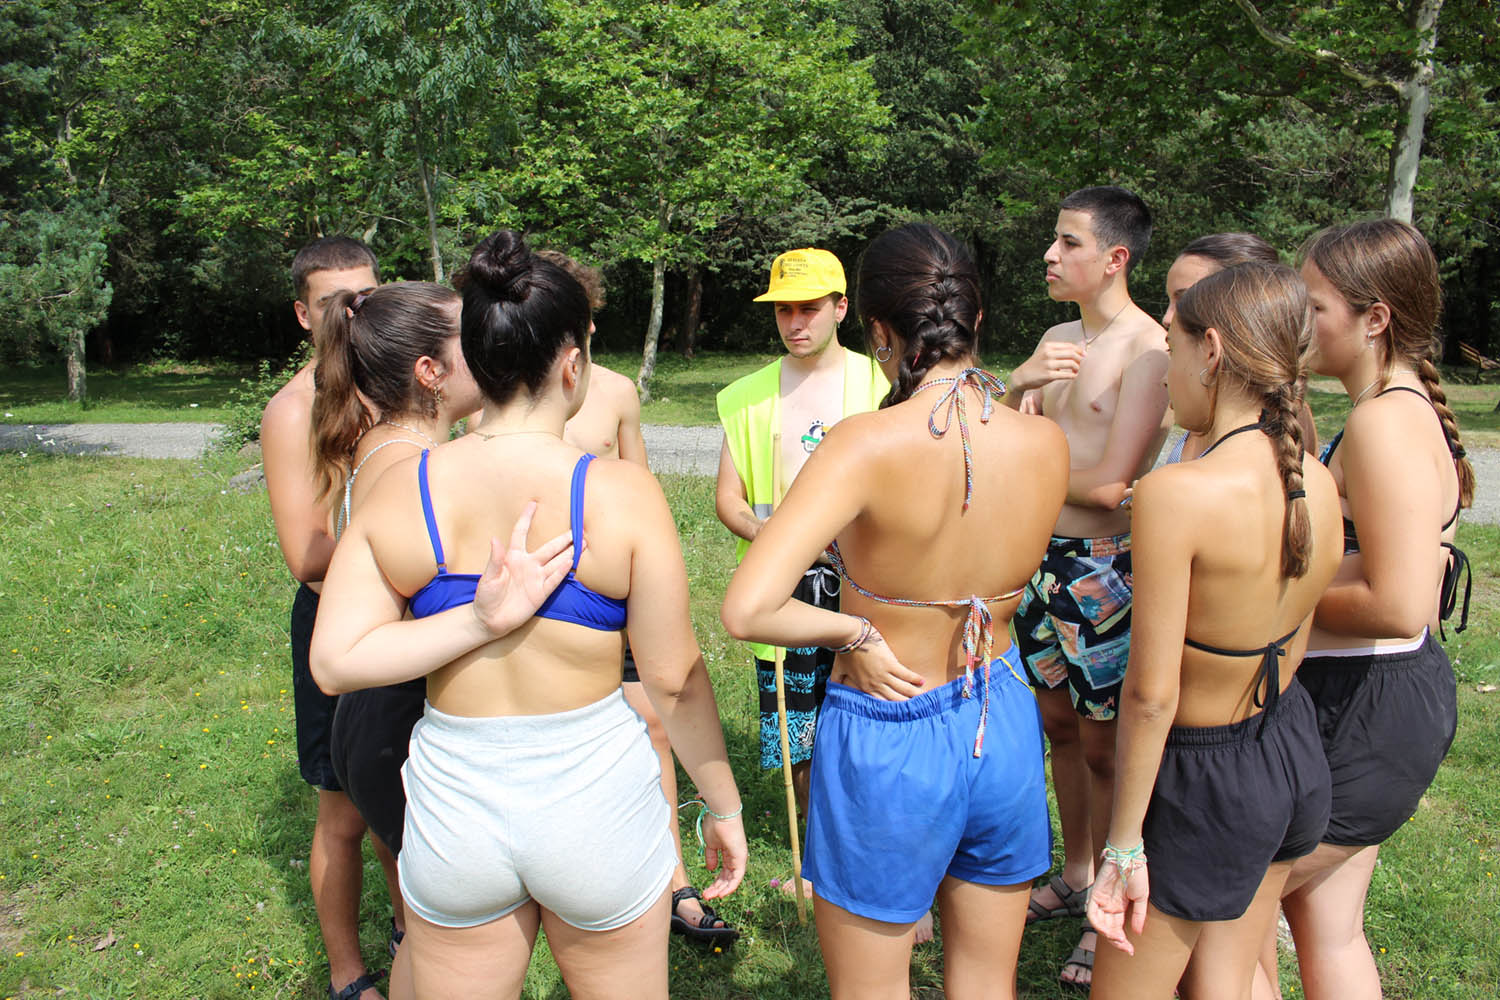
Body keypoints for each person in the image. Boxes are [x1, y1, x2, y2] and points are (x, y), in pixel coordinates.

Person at [310, 230, 746, 1000]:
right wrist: (723, 804)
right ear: (573, 364)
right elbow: (674, 678)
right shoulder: (620, 494)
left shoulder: (406, 487)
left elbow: (334, 661)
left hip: (458, 810)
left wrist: (473, 622)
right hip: (593, 805)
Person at [721, 223, 1068, 999]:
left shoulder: (863, 444)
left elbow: (746, 608)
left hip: (889, 726)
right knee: (987, 984)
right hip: (1002, 715)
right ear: (977, 319)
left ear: (878, 330)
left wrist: (854, 630)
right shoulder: (1046, 441)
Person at [1085, 262, 1343, 1000]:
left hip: (1199, 779)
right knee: (1226, 982)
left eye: (1172, 347)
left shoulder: (1177, 493)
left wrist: (1123, 846)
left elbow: (1151, 696)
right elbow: (1294, 643)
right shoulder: (1314, 480)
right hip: (1287, 751)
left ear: (1212, 350)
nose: (1166, 375)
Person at [1267, 219, 1472, 1000]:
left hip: (1366, 709)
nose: (1299, 322)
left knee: (1226, 918)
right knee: (1330, 927)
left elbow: (1400, 602)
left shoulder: (1385, 421)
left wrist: (1263, 602)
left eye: (1314, 306)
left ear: (1375, 317)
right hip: (1369, 696)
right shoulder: (1386, 407)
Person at [537, 249, 736, 944]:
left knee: (653, 722)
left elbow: (638, 488)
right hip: (533, 602)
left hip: (609, 591)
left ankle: (675, 881)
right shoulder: (496, 393)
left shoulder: (618, 392)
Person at [1001, 186, 1170, 987]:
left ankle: (1109, 892)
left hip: (1103, 569)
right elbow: (1001, 436)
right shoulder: (1055, 338)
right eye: (1053, 239)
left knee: (1104, 745)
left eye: (1069, 242)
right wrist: (1015, 384)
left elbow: (1111, 486)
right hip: (1036, 562)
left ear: (1114, 258)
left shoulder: (1151, 349)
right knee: (1057, 727)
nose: (1050, 254)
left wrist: (1035, 463)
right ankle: (1074, 872)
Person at [713, 247, 888, 874]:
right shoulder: (746, 397)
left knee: (867, 709)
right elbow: (728, 499)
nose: (794, 322)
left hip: (867, 581)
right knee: (799, 730)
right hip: (784, 588)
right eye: (783, 310)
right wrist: (773, 537)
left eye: (808, 308)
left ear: (841, 308)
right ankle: (818, 856)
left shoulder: (882, 384)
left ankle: (871, 840)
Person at [307, 282, 480, 917]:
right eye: (471, 335)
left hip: (377, 714)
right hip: (397, 720)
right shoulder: (416, 467)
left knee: (428, 924)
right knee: (446, 937)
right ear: (430, 371)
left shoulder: (388, 444)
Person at [260, 236, 394, 1000]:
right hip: (338, 624)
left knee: (406, 797)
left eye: (365, 298)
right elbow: (307, 557)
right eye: (333, 302)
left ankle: (413, 934)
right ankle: (348, 974)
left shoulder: (403, 382)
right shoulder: (294, 410)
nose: (351, 314)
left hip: (411, 617)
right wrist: (405, 542)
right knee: (343, 815)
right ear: (302, 314)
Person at [1157, 234, 1317, 465]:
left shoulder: (1287, 416)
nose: (1167, 317)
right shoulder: (1200, 409)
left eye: (1185, 299)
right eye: (1169, 300)